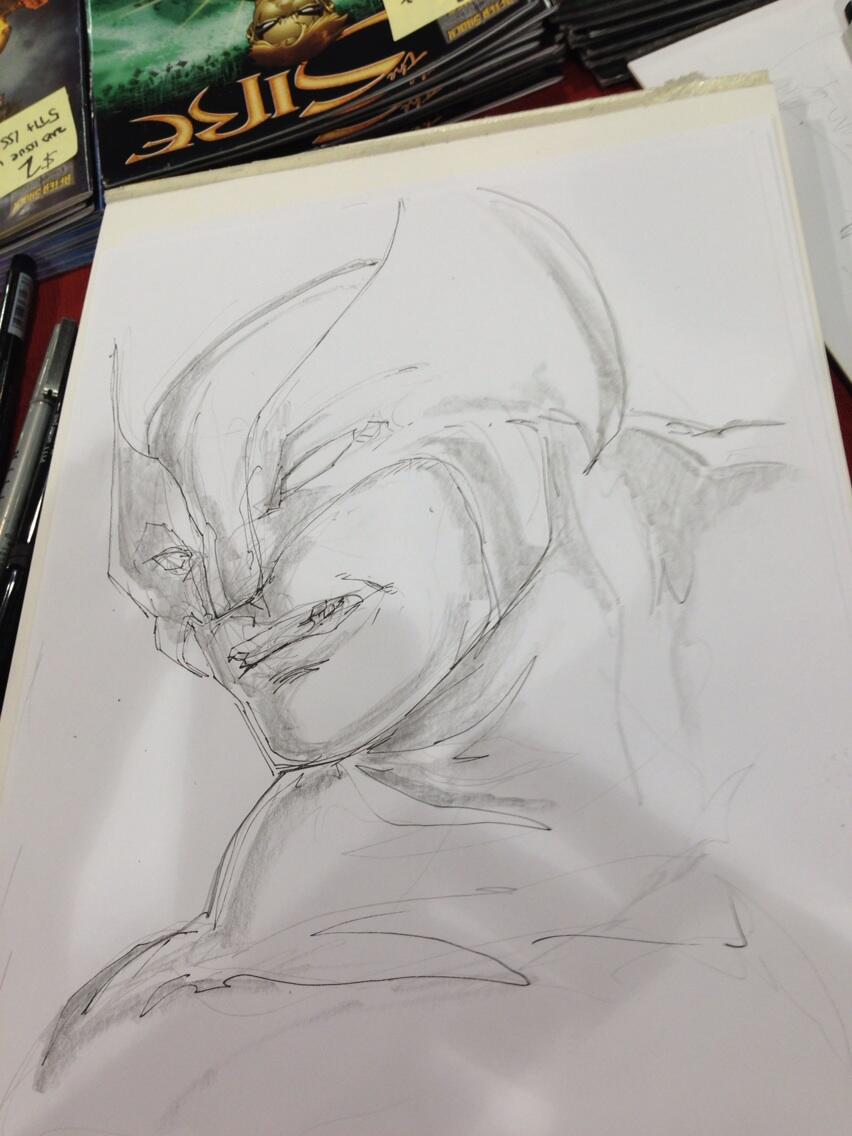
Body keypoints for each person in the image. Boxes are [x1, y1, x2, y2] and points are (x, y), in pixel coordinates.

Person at [15, 190, 826, 1135]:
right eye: (169, 563)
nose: (222, 610)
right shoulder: (233, 989)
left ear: (511, 439)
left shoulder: (767, 555)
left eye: (294, 479)